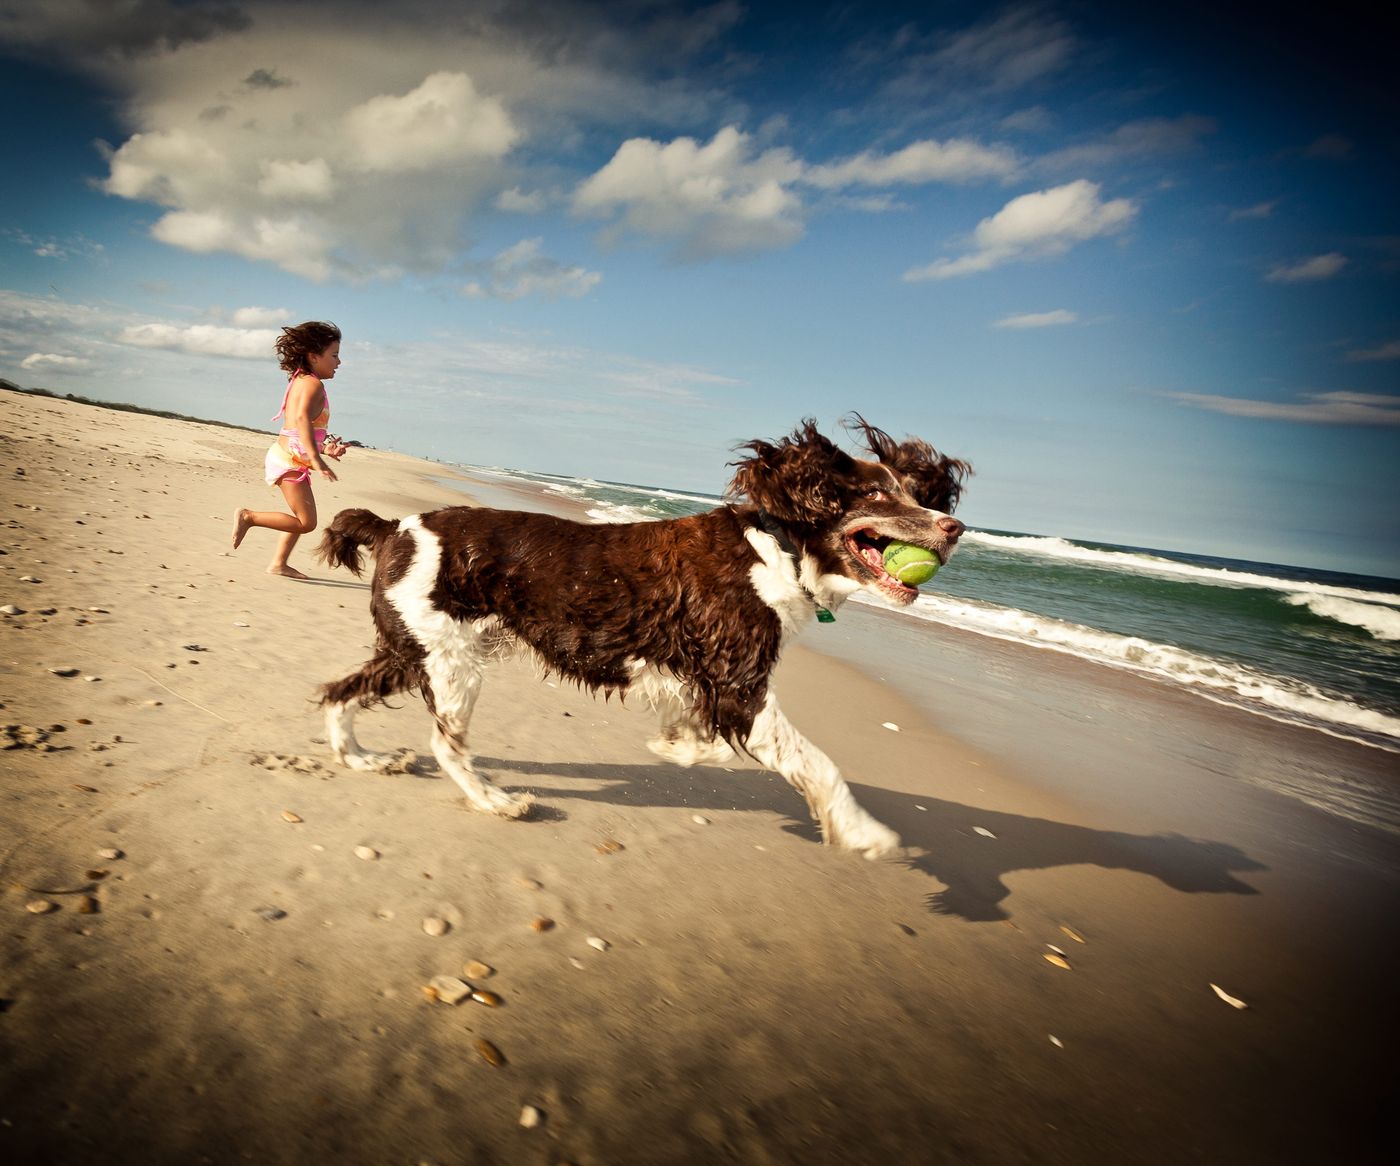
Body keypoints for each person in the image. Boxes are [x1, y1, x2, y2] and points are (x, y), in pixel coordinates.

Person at [231, 321, 349, 579]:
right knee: (307, 523)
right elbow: (303, 420)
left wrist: (326, 449)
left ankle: (279, 563)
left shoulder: (303, 380)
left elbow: (304, 428)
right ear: (313, 356)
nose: (339, 362)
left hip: (290, 457)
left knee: (300, 516)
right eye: (335, 355)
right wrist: (317, 460)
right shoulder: (312, 385)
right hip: (289, 461)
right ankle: (249, 517)